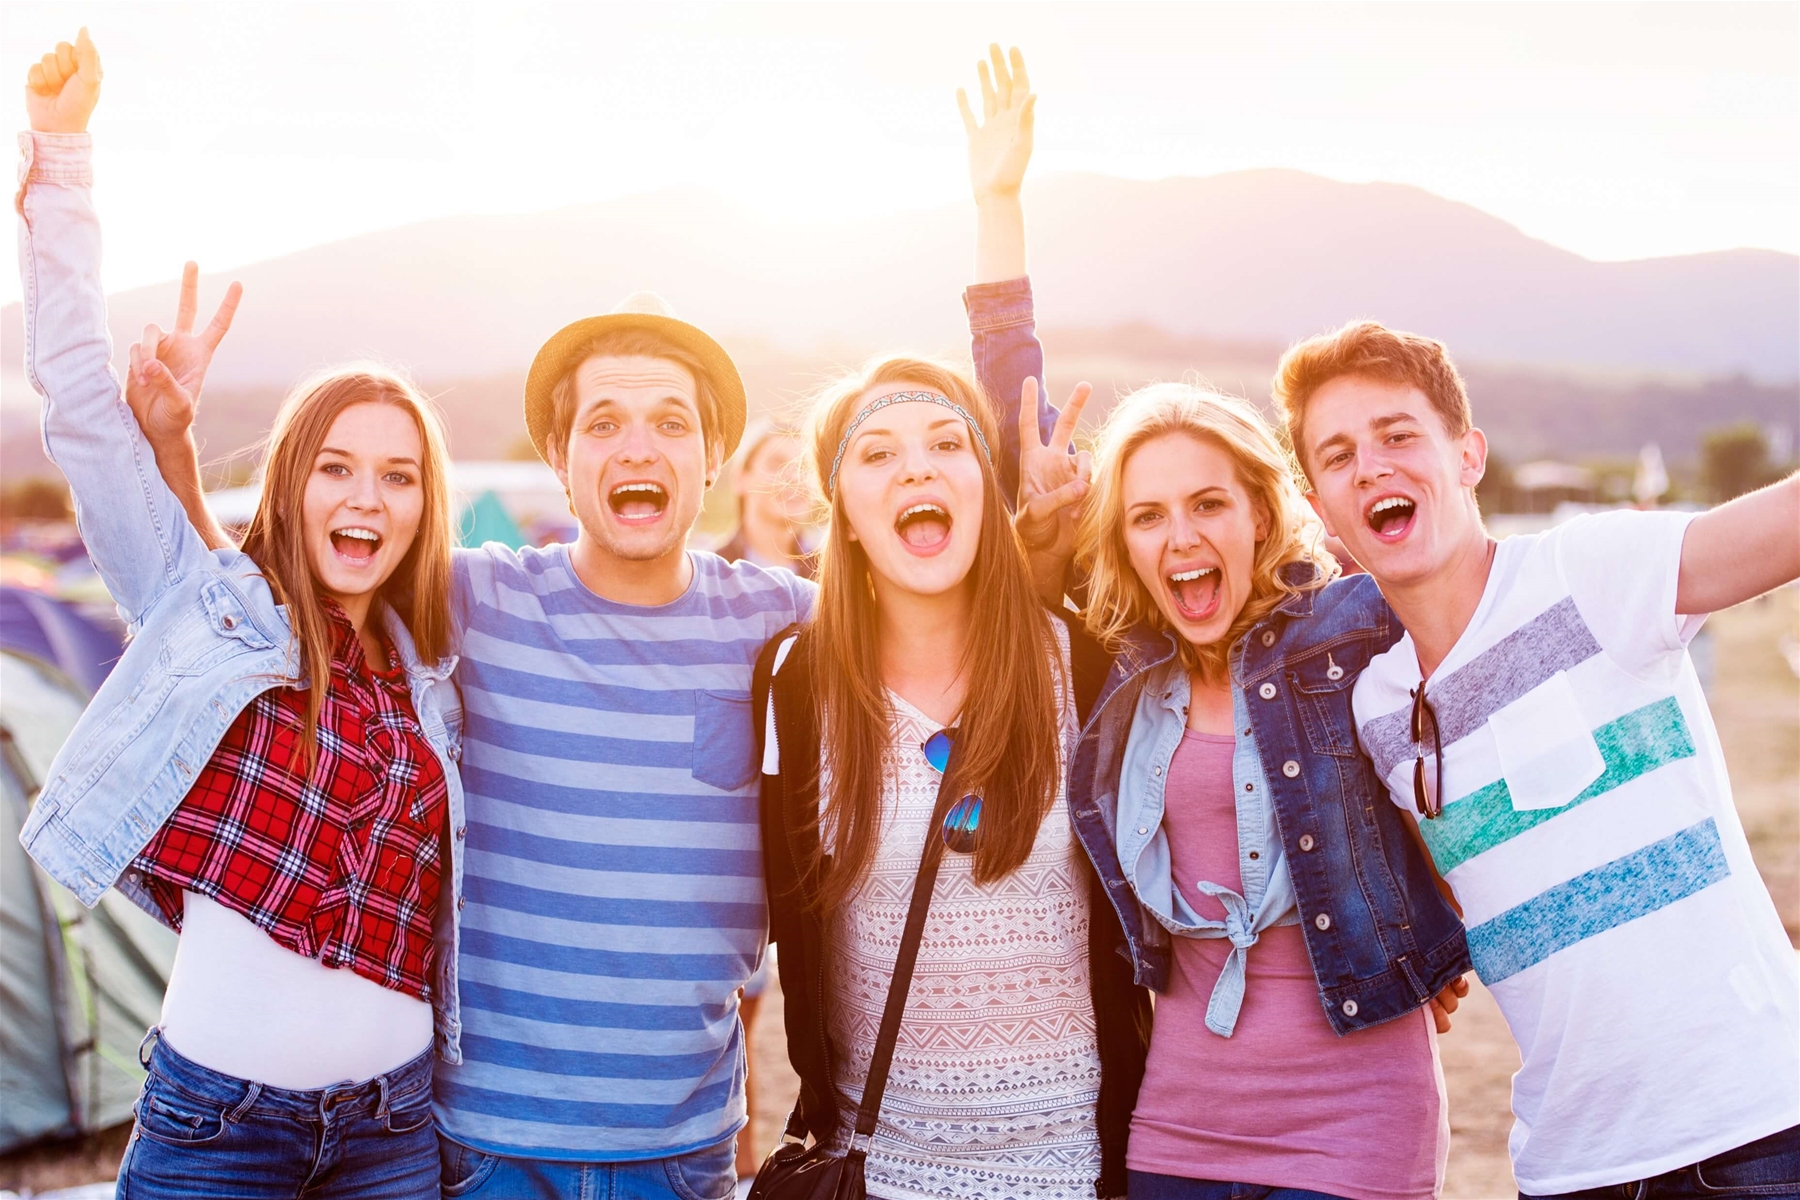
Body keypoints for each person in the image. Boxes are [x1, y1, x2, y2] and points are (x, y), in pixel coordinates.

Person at [960, 46, 1470, 1200]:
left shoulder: (1349, 631)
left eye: (1207, 505)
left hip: (1360, 1114)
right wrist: (999, 209)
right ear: (1124, 541)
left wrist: (1441, 921)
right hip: (1178, 1123)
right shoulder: (1114, 666)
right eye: (1147, 515)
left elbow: (1467, 753)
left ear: (1259, 511)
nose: (1180, 536)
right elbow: (1013, 428)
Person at [17, 33, 461, 1199]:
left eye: (401, 476)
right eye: (338, 467)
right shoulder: (205, 606)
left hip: (395, 1133)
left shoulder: (435, 670)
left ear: (426, 505)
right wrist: (63, 159)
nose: (368, 496)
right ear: (292, 480)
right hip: (219, 1133)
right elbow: (71, 391)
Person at [1275, 320, 1800, 1198]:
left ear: (1468, 456)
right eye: (1338, 456)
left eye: (1399, 435)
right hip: (1570, 1166)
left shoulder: (1589, 572)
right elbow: (1438, 882)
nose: (1371, 466)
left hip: (1750, 1134)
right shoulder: (1374, 707)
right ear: (1324, 510)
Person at [753, 354, 1151, 1200]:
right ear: (845, 517)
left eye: (947, 442)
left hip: (1076, 1171)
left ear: (985, 488)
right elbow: (782, 915)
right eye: (878, 453)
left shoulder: (1086, 664)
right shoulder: (796, 684)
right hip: (879, 1172)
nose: (918, 467)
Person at [715, 420, 818, 579]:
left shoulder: (835, 575)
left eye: (804, 467)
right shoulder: (709, 574)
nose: (796, 477)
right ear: (740, 478)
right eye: (777, 464)